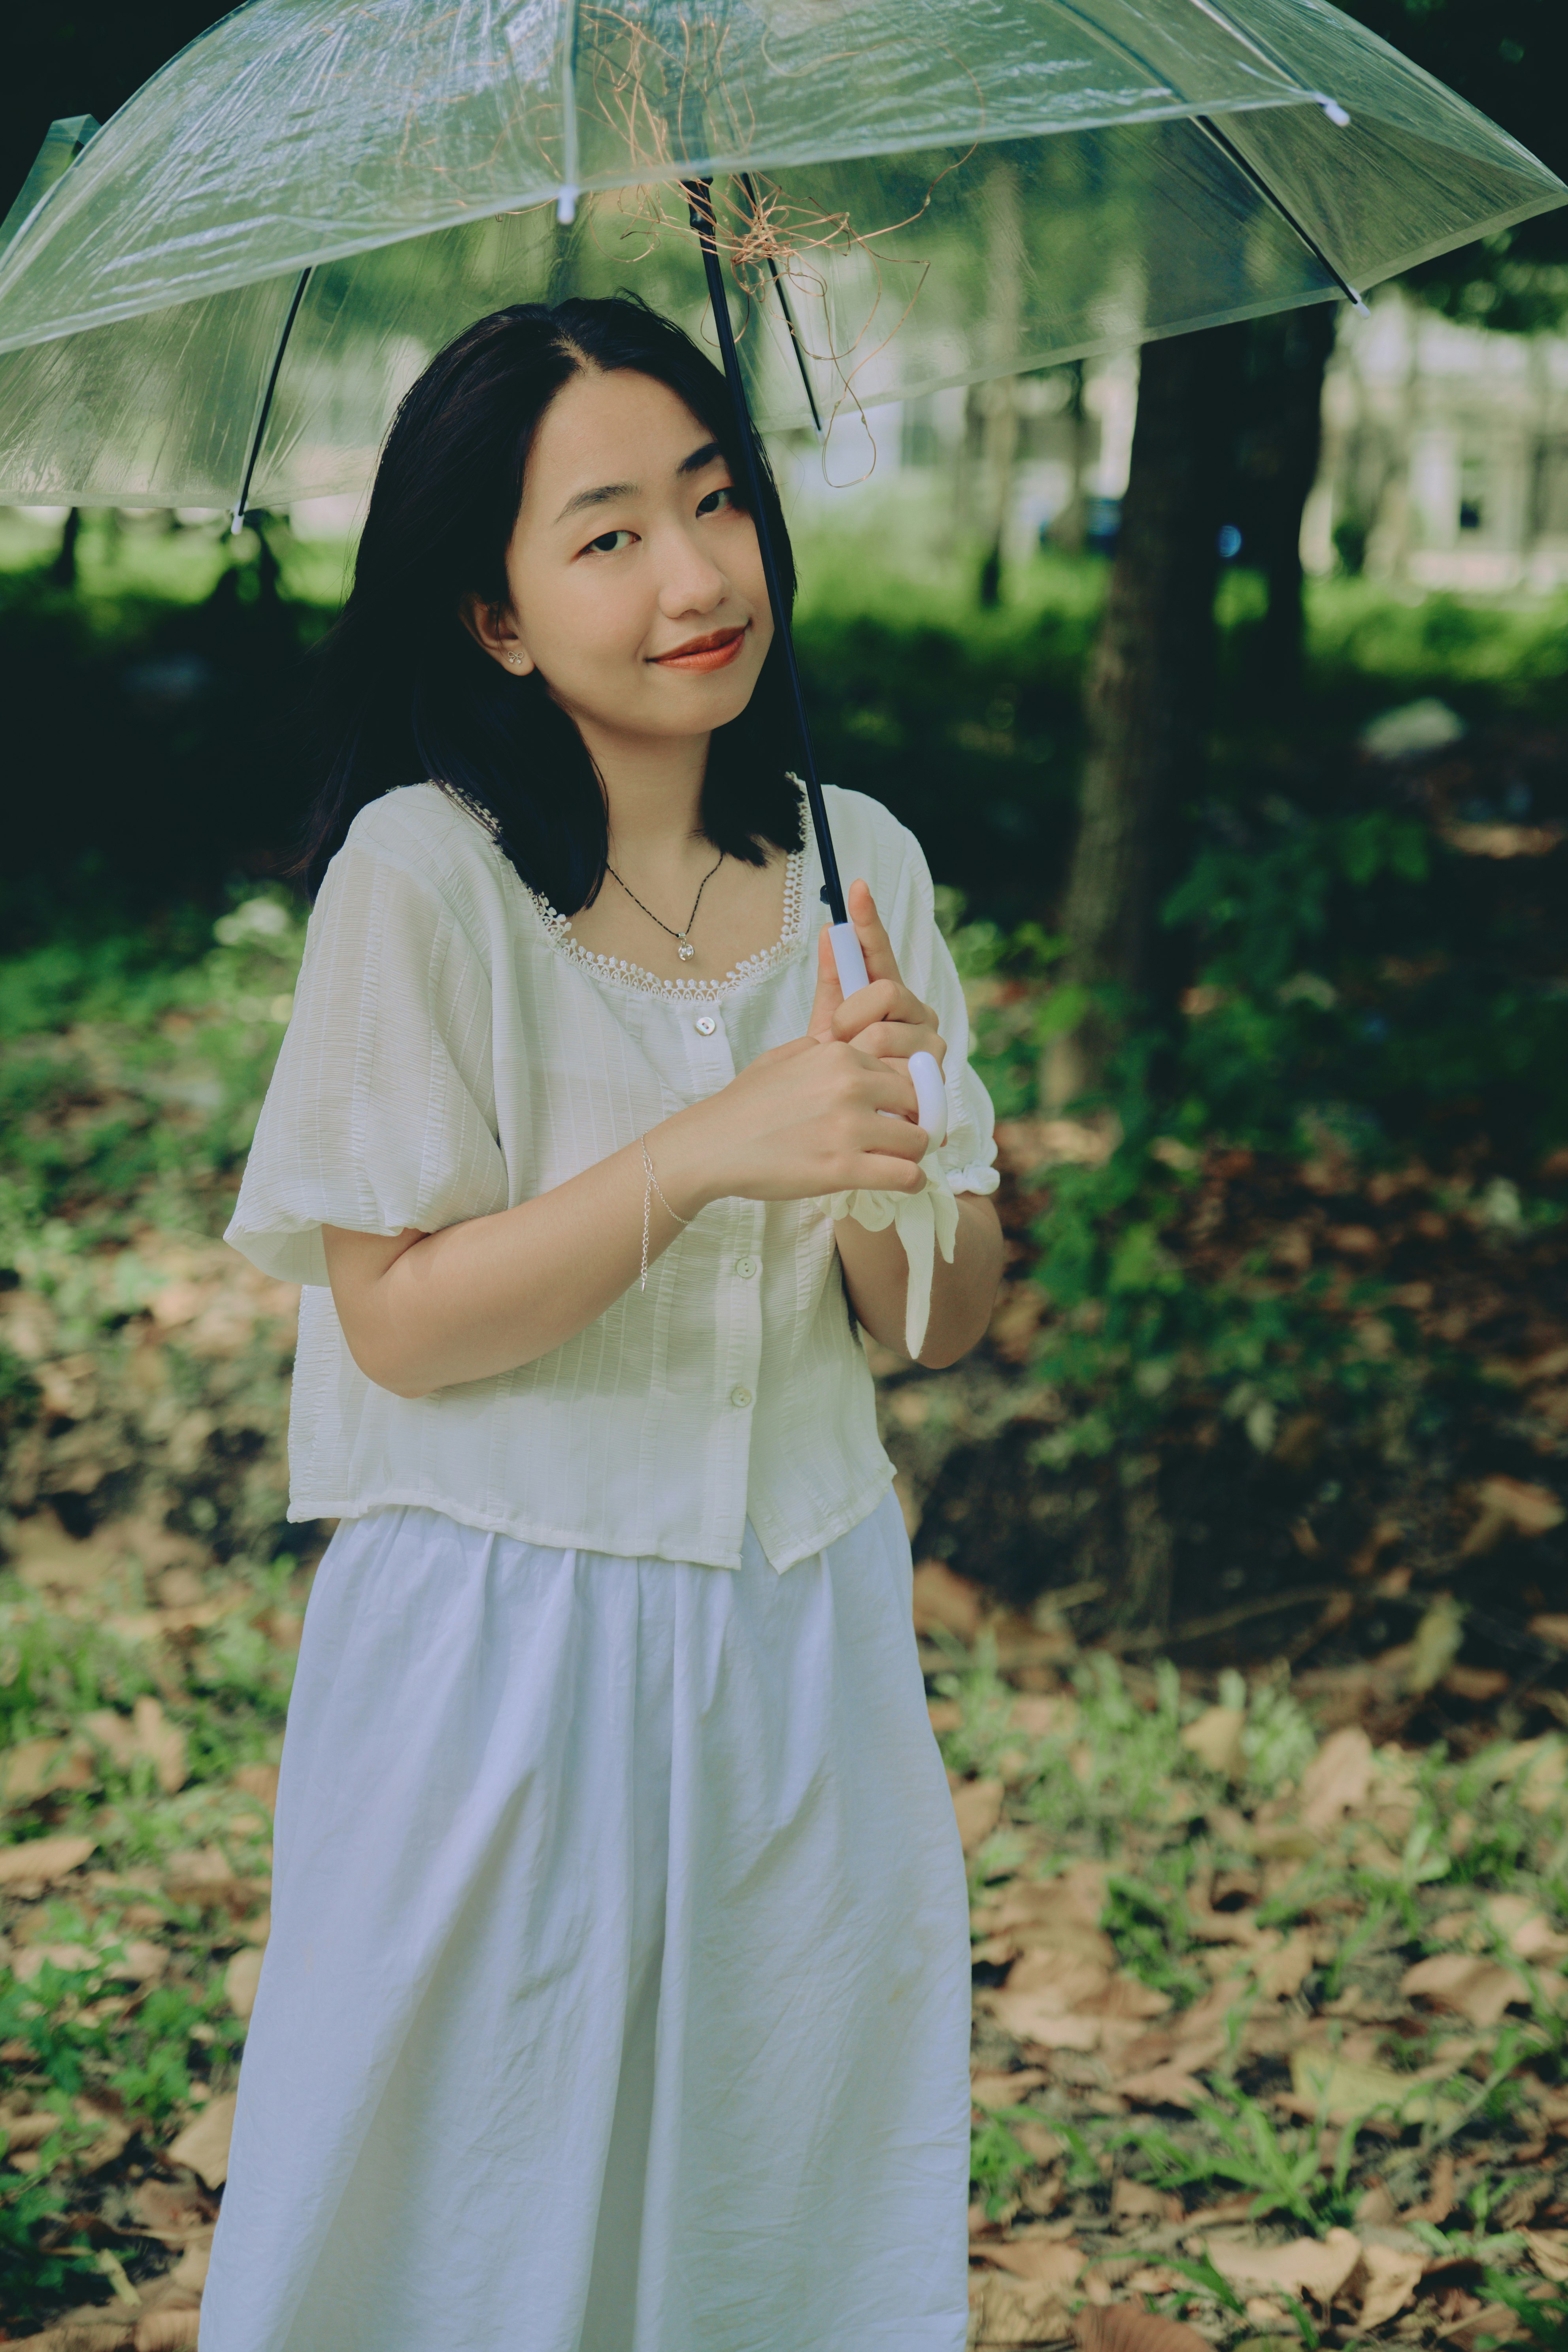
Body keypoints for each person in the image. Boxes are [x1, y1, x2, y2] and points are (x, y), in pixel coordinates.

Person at [201, 294, 1004, 2352]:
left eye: (717, 501)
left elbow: (936, 1325)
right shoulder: (427, 878)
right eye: (612, 531)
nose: (697, 575)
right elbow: (401, 1326)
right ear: (492, 615)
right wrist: (717, 1144)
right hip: (499, 1646)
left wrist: (891, 1137)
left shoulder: (863, 869)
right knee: (463, 2202)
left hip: (797, 1623)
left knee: (767, 2189)